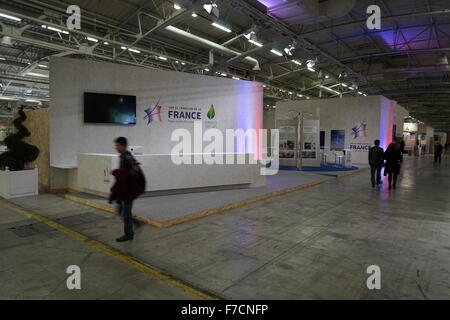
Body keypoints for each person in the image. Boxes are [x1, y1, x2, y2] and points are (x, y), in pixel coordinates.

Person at [109, 137, 146, 242]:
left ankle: (129, 234)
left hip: (129, 190)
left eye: (117, 145)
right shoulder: (123, 156)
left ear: (123, 145)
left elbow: (134, 169)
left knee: (125, 212)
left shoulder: (127, 156)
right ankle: (136, 222)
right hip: (125, 189)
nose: (115, 147)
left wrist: (119, 172)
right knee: (121, 210)